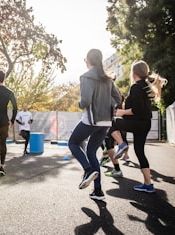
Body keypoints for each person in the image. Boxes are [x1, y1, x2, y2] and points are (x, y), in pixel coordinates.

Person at [68, 49, 121, 200]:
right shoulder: (108, 79)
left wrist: (79, 103)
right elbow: (118, 99)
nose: (85, 62)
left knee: (73, 143)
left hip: (91, 120)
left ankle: (88, 169)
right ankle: (98, 191)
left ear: (88, 60)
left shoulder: (86, 76)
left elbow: (85, 101)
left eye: (85, 59)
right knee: (91, 152)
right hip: (106, 122)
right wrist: (107, 106)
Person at [109, 60, 167, 193]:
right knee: (139, 152)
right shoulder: (145, 86)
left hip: (138, 123)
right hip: (145, 123)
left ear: (134, 73)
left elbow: (137, 109)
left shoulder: (136, 87)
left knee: (111, 123)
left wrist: (122, 112)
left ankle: (122, 144)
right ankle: (148, 184)